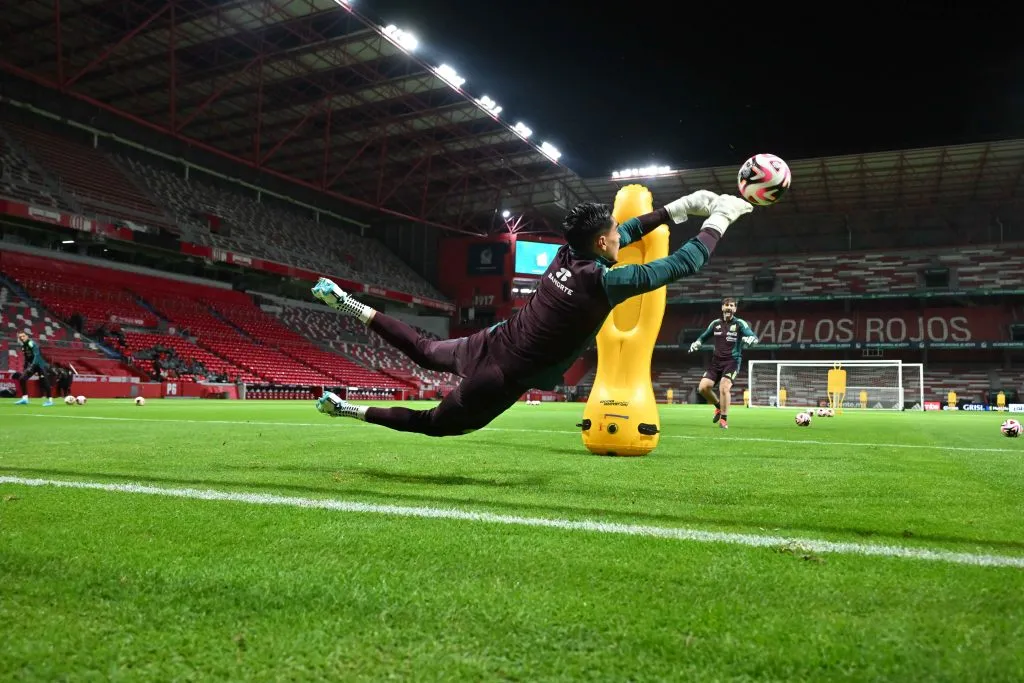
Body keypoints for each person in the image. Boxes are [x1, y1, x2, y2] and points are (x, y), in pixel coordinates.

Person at [312, 191, 752, 437]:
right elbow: (682, 264)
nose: (623, 236)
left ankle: (348, 302)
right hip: (502, 376)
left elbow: (629, 229)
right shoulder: (604, 283)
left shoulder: (565, 254)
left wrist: (677, 210)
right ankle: (344, 409)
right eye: (615, 234)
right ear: (602, 243)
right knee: (435, 425)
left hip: (488, 341)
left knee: (424, 350)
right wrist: (720, 219)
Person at [687, 297, 758, 428]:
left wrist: (751, 340)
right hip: (716, 362)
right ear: (722, 308)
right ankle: (719, 407)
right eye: (726, 305)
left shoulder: (740, 324)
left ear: (735, 309)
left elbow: (753, 337)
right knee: (703, 388)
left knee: (724, 387)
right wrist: (697, 343)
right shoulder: (715, 324)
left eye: (731, 305)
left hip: (732, 362)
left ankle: (724, 419)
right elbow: (703, 337)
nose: (729, 307)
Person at [13, 331, 54, 406]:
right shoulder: (23, 347)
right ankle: (25, 399)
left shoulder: (31, 343)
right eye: (20, 337)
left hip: (39, 364)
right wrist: (25, 368)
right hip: (33, 365)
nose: (22, 338)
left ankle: (50, 400)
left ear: (27, 336)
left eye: (23, 336)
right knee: (22, 378)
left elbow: (37, 354)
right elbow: (27, 358)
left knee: (44, 382)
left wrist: (32, 366)